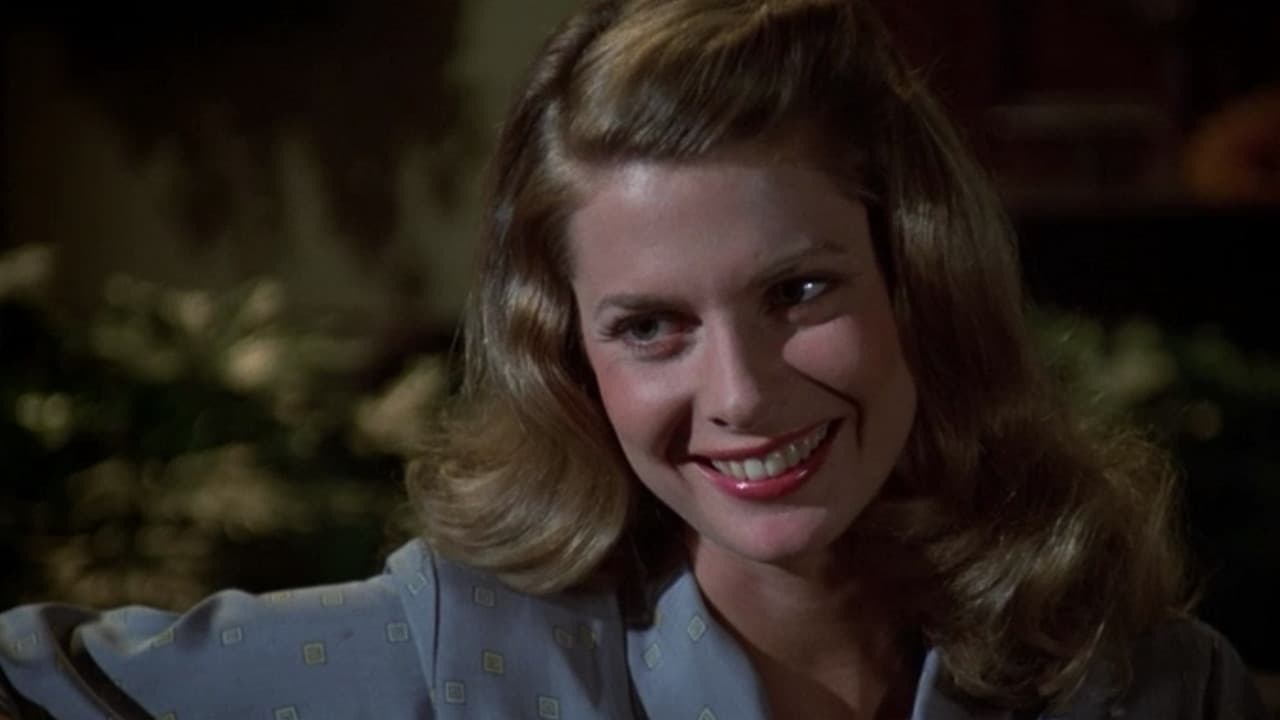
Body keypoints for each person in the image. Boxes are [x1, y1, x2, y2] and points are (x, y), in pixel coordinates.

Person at [1, 0, 1270, 717]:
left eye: (798, 290)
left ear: (918, 283)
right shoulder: (460, 657)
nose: (741, 395)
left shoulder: (1145, 684)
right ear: (570, 355)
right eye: (649, 326)